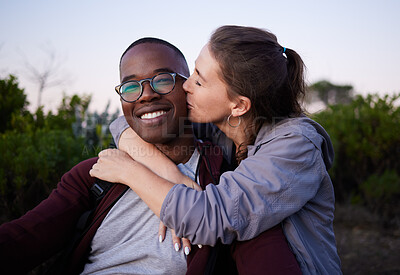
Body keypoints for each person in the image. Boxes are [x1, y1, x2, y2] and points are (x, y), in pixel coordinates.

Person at [0, 37, 299, 275]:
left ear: (188, 88)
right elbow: (24, 238)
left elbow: (263, 253)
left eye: (163, 79)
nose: (145, 95)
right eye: (130, 86)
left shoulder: (226, 181)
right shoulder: (98, 173)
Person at [91, 25, 342, 274]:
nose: (185, 86)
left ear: (238, 105)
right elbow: (131, 122)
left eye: (199, 80)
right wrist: (173, 176)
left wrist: (129, 172)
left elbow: (210, 219)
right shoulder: (223, 127)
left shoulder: (294, 147)